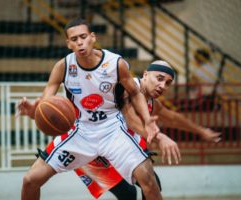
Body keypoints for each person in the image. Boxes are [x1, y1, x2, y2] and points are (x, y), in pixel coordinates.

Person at [17, 18, 162, 200]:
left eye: (83, 37)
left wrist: (147, 119)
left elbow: (135, 93)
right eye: (74, 39)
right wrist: (34, 111)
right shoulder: (63, 67)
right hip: (80, 132)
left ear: (92, 37)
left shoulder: (115, 63)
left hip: (112, 129)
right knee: (30, 180)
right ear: (68, 43)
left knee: (149, 182)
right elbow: (46, 104)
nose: (79, 42)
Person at [41, 60, 221, 200]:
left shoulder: (151, 102)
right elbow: (131, 119)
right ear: (145, 75)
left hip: (114, 151)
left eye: (167, 83)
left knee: (151, 185)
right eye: (159, 78)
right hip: (91, 150)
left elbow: (173, 117)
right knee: (129, 194)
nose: (162, 86)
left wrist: (200, 131)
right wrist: (159, 137)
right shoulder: (127, 88)